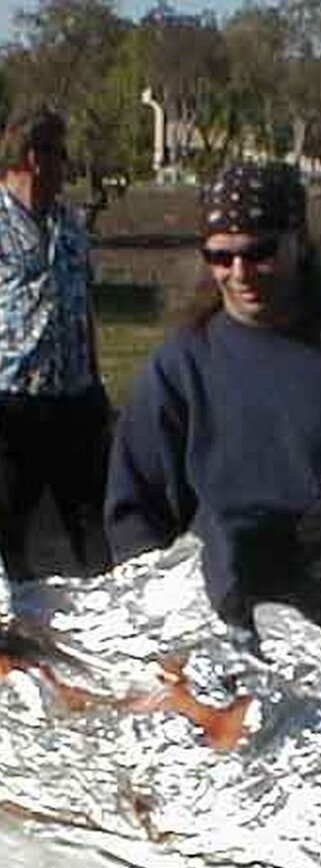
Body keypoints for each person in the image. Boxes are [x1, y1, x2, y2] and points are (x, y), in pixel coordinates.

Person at [105, 162, 321, 702]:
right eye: (220, 256)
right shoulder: (182, 366)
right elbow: (132, 511)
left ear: (296, 244)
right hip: (217, 642)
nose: (240, 272)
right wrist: (169, 619)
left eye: (258, 252)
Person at [0, 106, 112, 580]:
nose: (68, 166)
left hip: (76, 400)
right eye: (61, 155)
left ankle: (110, 635)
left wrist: (97, 382)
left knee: (93, 530)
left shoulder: (70, 225)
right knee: (9, 531)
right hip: (13, 403)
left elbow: (82, 302)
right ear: (34, 156)